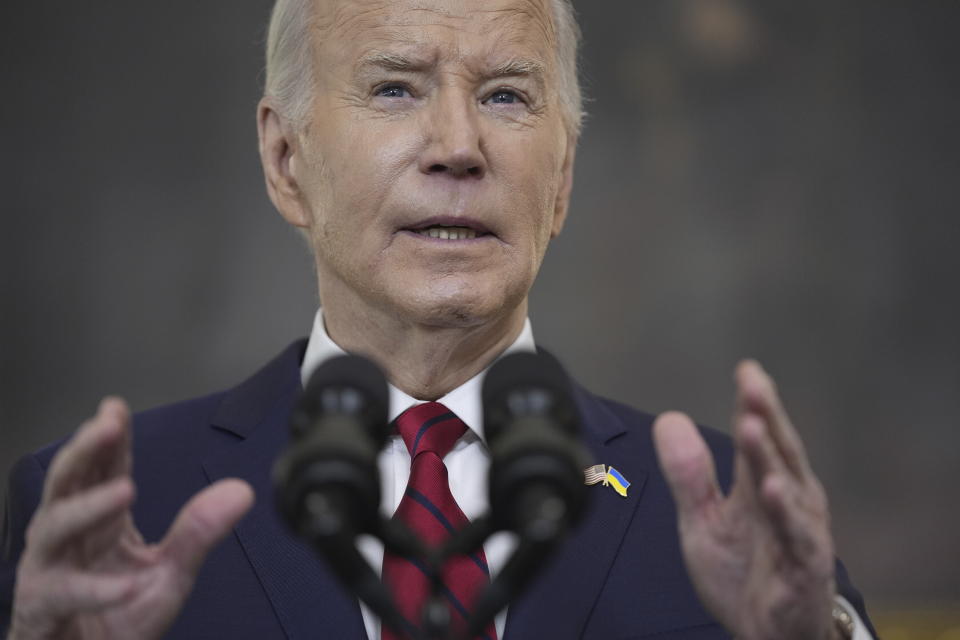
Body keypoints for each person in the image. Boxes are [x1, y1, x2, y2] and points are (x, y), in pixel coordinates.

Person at [0, 0, 876, 638]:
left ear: (562, 177)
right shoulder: (113, 516)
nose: (459, 145)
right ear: (284, 160)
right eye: (394, 89)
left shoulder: (735, 526)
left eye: (504, 95)